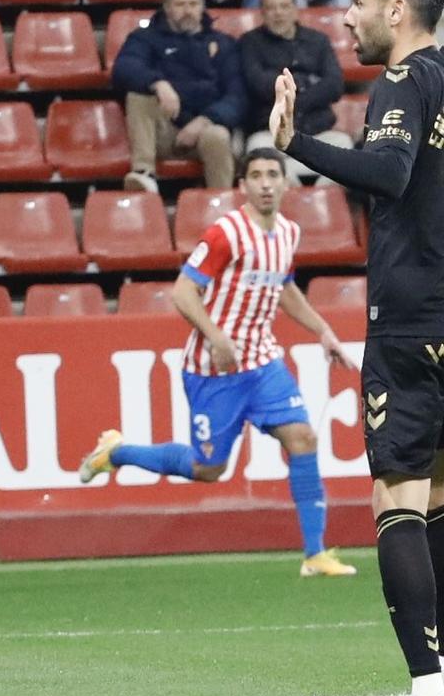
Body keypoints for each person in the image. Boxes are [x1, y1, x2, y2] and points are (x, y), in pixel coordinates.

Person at [271, 0, 444, 696]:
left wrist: (296, 143)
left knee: (395, 501)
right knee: (438, 500)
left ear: (397, 12)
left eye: (358, 1)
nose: (347, 16)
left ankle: (432, 691)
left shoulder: (405, 83)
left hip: (411, 321)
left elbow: (389, 170)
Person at [79, 148, 357, 579]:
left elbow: (284, 289)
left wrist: (323, 331)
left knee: (302, 438)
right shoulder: (226, 233)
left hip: (262, 363)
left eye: (272, 175)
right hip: (214, 371)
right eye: (257, 176)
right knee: (209, 468)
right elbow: (183, 292)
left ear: (285, 183)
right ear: (242, 186)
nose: (266, 183)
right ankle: (117, 452)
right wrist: (215, 335)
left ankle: (315, 554)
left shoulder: (287, 233)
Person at [111, 0, 244, 193]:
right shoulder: (145, 38)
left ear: (202, 7)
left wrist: (205, 120)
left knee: (218, 136)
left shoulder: (223, 43)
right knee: (139, 95)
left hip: (205, 128)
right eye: (180, 5)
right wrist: (158, 83)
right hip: (162, 130)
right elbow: (124, 68)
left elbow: (237, 95)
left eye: (193, 4)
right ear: (167, 8)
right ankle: (143, 174)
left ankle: (220, 203)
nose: (187, 11)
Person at [241, 0, 351, 175]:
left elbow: (335, 85)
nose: (278, 13)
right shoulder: (250, 42)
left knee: (346, 148)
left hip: (318, 131)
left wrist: (291, 93)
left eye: (284, 6)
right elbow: (258, 84)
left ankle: (325, 201)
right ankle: (293, 200)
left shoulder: (319, 40)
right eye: (271, 7)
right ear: (262, 12)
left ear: (295, 9)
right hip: (271, 134)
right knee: (258, 152)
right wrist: (308, 82)